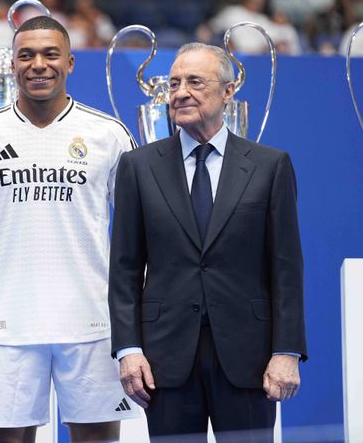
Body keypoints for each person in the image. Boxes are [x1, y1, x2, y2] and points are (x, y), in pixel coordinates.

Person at [0, 16, 139, 443]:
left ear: (70, 62)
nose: (38, 65)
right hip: (9, 325)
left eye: (51, 54)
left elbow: (138, 228)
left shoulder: (108, 134)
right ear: (11, 64)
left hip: (92, 324)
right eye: (26, 55)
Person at [109, 43, 307, 441]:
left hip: (249, 359)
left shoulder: (270, 166)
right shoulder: (138, 166)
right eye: (174, 83)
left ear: (228, 91)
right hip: (164, 360)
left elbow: (286, 268)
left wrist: (286, 352)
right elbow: (125, 268)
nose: (180, 92)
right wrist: (128, 350)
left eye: (195, 82)